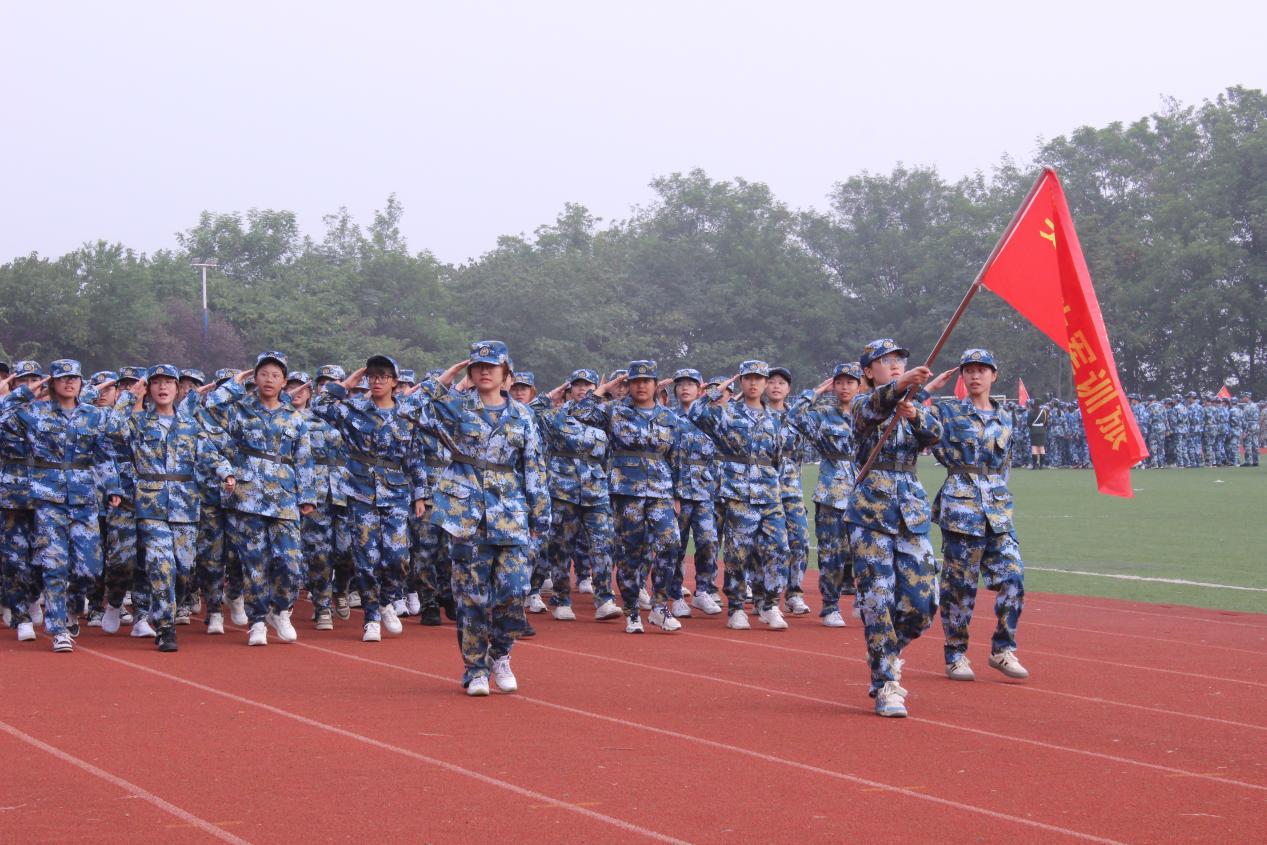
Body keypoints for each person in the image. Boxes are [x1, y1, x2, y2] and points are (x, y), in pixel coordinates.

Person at [409, 341, 550, 695]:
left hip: (510, 513)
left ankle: (500, 654)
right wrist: (445, 378)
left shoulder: (523, 415)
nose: (484, 371)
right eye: (477, 366)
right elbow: (406, 409)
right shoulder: (455, 406)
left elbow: (534, 467)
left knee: (514, 591)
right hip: (465, 514)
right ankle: (475, 669)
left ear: (506, 373)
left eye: (492, 366)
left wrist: (540, 516)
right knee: (471, 598)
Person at [845, 339, 942, 717]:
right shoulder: (863, 403)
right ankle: (886, 681)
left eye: (899, 359)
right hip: (870, 513)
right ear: (869, 371)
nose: (895, 364)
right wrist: (899, 389)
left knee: (923, 603)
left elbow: (935, 436)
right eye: (885, 361)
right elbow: (870, 411)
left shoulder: (913, 403)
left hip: (910, 512)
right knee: (879, 599)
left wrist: (914, 414)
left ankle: (884, 650)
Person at [108, 365, 234, 651]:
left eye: (168, 383)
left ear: (178, 389)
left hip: (185, 506)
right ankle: (166, 627)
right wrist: (129, 396)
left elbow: (208, 453)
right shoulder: (139, 422)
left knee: (183, 571)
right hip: (151, 505)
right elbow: (113, 429)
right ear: (149, 389)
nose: (162, 388)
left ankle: (161, 606)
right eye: (156, 383)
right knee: (160, 564)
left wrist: (226, 472)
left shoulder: (189, 424)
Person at [0, 359, 122, 653]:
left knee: (89, 568)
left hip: (83, 498)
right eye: (62, 378)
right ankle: (58, 629)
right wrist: (26, 391)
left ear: (81, 383)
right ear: (52, 383)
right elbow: (3, 416)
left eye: (74, 378)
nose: (69, 383)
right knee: (54, 564)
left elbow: (104, 453)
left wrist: (113, 486)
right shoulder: (36, 413)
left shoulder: (93, 415)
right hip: (48, 497)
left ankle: (71, 607)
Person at [925, 349, 1029, 683]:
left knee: (1013, 578)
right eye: (968, 370)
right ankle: (956, 655)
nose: (975, 375)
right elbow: (910, 414)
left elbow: (1006, 462)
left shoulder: (1005, 417)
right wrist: (926, 389)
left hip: (998, 511)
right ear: (962, 376)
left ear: (994, 375)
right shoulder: (948, 411)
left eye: (982, 370)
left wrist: (1000, 496)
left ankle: (1002, 648)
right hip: (961, 509)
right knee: (960, 589)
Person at [312, 356, 430, 642]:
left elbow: (415, 457)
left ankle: (388, 599)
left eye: (383, 376)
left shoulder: (406, 414)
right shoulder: (354, 409)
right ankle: (372, 616)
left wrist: (420, 494)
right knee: (367, 558)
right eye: (372, 376)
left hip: (396, 492)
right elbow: (319, 405)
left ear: (394, 381)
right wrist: (349, 381)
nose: (377, 382)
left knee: (398, 557)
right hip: (360, 490)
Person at [205, 352, 316, 646]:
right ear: (255, 378)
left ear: (284, 382)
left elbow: (304, 458)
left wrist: (307, 495)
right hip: (248, 496)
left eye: (275, 375)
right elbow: (211, 407)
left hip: (284, 498)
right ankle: (256, 621)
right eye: (263, 373)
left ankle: (280, 610)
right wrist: (235, 382)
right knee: (254, 562)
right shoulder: (239, 410)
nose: (269, 380)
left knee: (290, 563)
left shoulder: (294, 417)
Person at [572, 361, 682, 634]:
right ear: (628, 385)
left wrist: (678, 494)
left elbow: (677, 457)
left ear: (656, 385)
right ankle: (632, 610)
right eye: (635, 381)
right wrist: (602, 390)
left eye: (646, 381)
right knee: (630, 553)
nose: (641, 386)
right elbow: (579, 413)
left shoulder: (669, 417)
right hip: (626, 492)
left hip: (660, 491)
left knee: (670, 544)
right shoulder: (614, 411)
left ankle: (659, 605)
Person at [688, 360, 790, 631]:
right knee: (738, 554)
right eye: (748, 378)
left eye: (759, 378)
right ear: (741, 381)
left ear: (765, 383)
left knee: (779, 549)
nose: (754, 383)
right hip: (738, 494)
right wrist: (716, 390)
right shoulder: (726, 412)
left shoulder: (775, 418)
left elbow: (778, 456)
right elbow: (695, 412)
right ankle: (736, 608)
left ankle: (769, 604)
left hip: (769, 493)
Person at [532, 370, 623, 622]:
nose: (583, 389)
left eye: (588, 385)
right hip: (564, 490)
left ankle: (604, 599)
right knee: (561, 547)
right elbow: (530, 412)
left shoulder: (604, 416)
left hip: (596, 490)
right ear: (569, 389)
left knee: (603, 545)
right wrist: (549, 396)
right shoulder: (557, 415)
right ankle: (562, 599)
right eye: (577, 385)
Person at [789, 362, 861, 627]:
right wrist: (816, 391)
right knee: (832, 553)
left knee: (868, 550)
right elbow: (794, 415)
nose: (844, 387)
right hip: (832, 493)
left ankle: (866, 599)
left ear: (860, 385)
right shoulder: (823, 414)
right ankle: (831, 605)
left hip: (866, 490)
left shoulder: (870, 414)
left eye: (850, 382)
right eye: (839, 382)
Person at [288, 370, 349, 631]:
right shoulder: (295, 419)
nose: (326, 389)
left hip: (346, 491)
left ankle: (341, 588)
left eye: (331, 385)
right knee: (319, 553)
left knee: (348, 551)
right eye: (322, 384)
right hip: (316, 493)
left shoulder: (346, 416)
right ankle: (322, 605)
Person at [666, 369, 722, 615]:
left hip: (704, 490)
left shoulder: (710, 418)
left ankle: (702, 591)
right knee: (676, 546)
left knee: (708, 541)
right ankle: (676, 595)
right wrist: (671, 494)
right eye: (680, 385)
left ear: (700, 389)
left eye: (690, 384)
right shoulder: (668, 417)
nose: (685, 388)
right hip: (677, 489)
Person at [0, 361, 45, 641]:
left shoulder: (50, 412)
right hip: (12, 496)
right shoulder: (6, 412)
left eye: (34, 380)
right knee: (14, 559)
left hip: (46, 495)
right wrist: (16, 395)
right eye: (23, 381)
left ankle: (32, 596)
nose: (30, 386)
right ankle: (19, 614)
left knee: (45, 557)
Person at [765, 366, 811, 617]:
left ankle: (794, 593)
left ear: (789, 388)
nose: (776, 386)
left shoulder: (798, 418)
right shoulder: (756, 415)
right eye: (771, 381)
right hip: (762, 488)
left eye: (781, 383)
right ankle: (764, 594)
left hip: (791, 488)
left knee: (800, 540)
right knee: (766, 544)